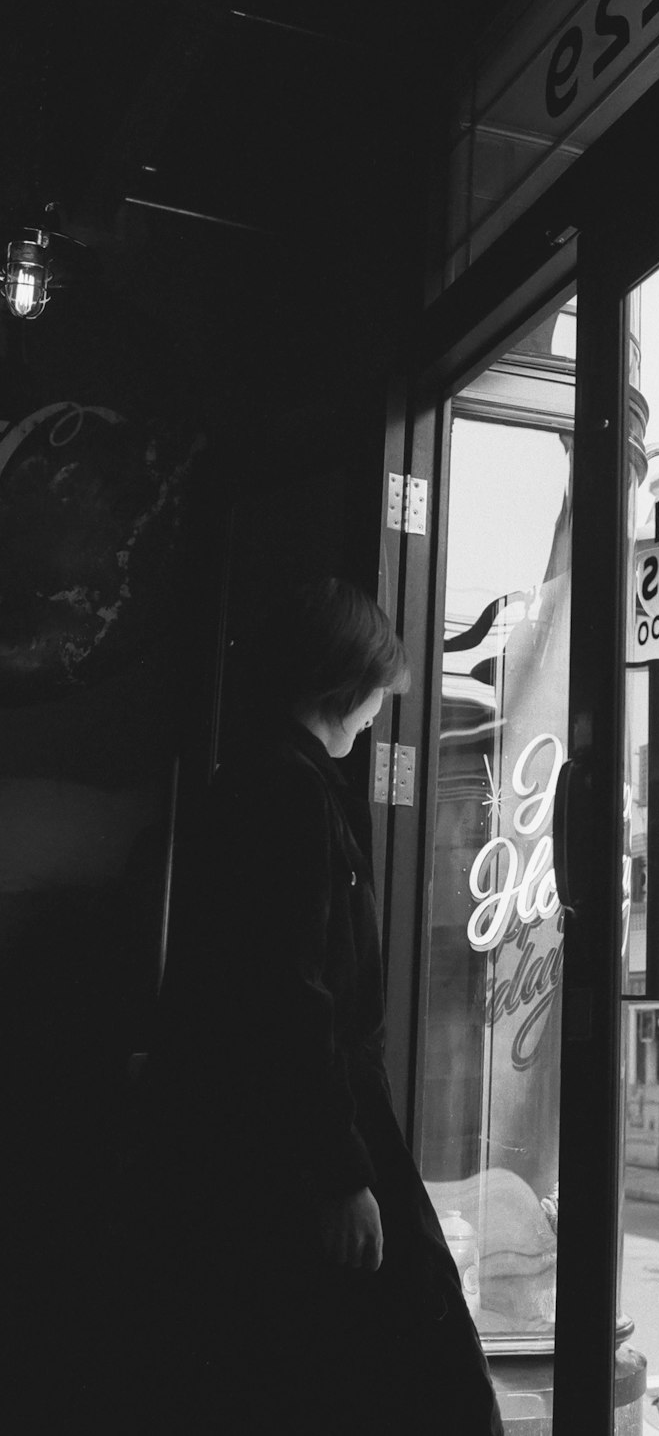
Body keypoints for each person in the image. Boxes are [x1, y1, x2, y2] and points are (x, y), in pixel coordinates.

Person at [128, 576, 504, 1434]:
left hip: (272, 1137)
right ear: (345, 681)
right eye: (379, 690)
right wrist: (340, 1170)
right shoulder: (287, 794)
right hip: (307, 1138)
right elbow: (289, 995)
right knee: (425, 1368)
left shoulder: (260, 782)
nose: (380, 711)